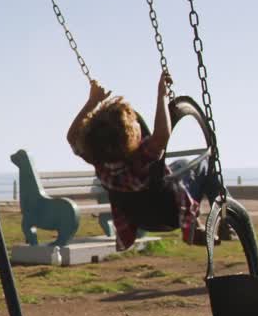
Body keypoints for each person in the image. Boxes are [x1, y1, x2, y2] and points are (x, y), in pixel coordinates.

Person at [66, 71, 203, 250]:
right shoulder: (141, 158)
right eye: (135, 124)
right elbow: (162, 134)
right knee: (197, 165)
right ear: (131, 135)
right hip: (170, 212)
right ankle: (201, 221)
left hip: (138, 218)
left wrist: (92, 102)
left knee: (178, 166)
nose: (139, 124)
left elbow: (72, 136)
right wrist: (161, 94)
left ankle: (198, 222)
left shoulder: (100, 163)